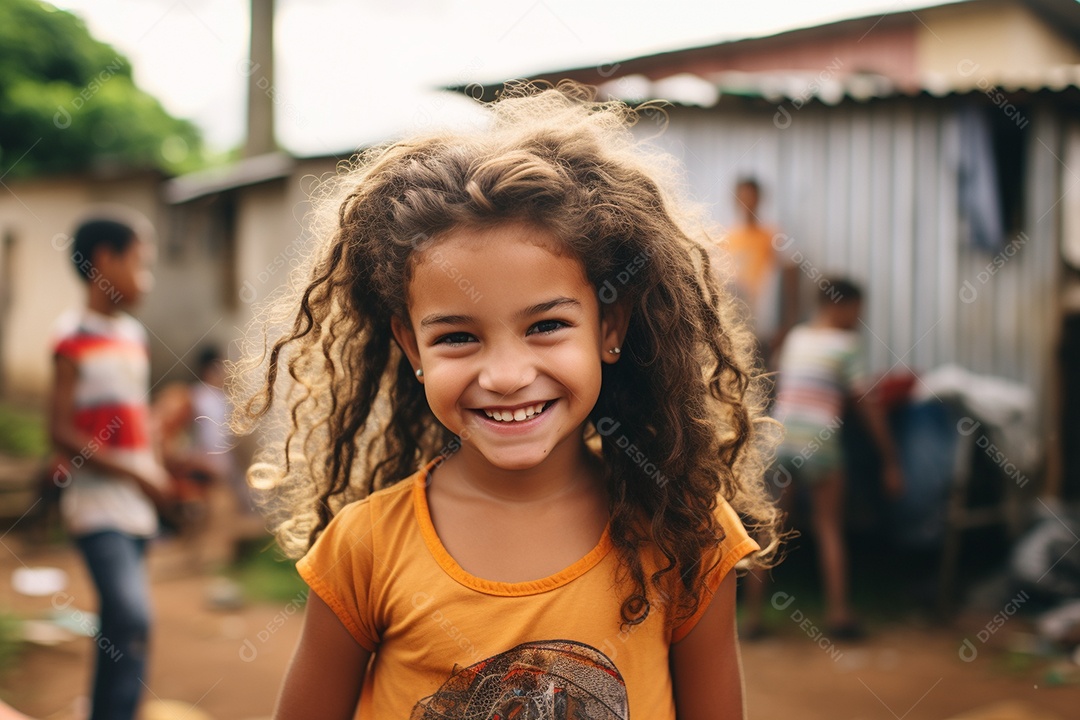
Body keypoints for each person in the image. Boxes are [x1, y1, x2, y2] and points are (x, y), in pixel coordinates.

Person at [232, 82, 782, 720]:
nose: (506, 375)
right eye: (458, 337)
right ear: (411, 346)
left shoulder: (686, 532)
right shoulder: (365, 548)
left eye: (546, 326)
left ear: (610, 327)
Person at [48, 209, 171, 720]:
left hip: (136, 508)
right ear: (105, 260)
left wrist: (158, 467)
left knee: (118, 628)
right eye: (139, 263)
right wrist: (136, 472)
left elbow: (133, 420)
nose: (146, 278)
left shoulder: (132, 337)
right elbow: (60, 430)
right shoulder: (71, 336)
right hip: (96, 505)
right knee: (132, 617)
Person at [743, 278, 903, 640]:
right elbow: (868, 405)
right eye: (856, 312)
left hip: (779, 439)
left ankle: (752, 618)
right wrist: (890, 458)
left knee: (769, 531)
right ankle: (838, 614)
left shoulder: (796, 337)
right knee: (829, 527)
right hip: (819, 442)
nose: (857, 320)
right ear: (842, 306)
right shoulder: (848, 345)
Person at [719, 177, 798, 368]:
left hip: (763, 326)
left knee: (761, 374)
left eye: (751, 197)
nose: (747, 203)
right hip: (735, 323)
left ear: (760, 199)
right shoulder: (727, 237)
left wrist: (786, 325)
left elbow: (788, 283)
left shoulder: (771, 236)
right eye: (742, 198)